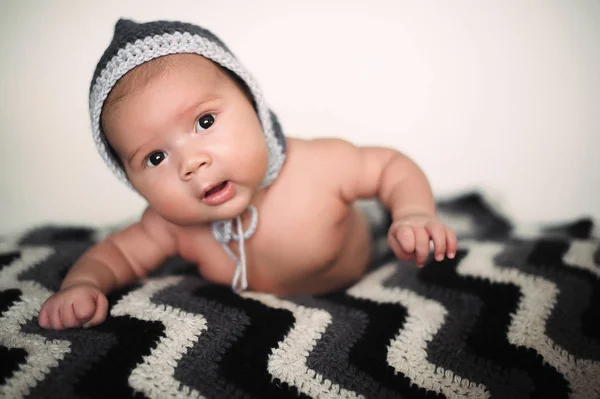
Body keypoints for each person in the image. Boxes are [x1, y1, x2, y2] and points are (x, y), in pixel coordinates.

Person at [38, 18, 457, 330]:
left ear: (254, 107)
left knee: (387, 220)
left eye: (204, 122)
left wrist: (413, 214)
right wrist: (82, 286)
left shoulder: (317, 166)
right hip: (282, 301)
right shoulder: (170, 226)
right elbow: (116, 255)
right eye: (155, 158)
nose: (191, 163)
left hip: (364, 243)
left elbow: (390, 167)